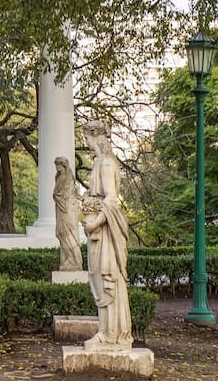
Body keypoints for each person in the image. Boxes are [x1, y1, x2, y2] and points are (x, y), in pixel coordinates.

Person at [80, 120, 133, 350]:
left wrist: (94, 224)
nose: (86, 143)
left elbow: (111, 199)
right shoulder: (100, 162)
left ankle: (109, 334)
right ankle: (107, 332)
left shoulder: (106, 164)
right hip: (99, 232)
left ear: (96, 137)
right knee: (100, 280)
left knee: (106, 279)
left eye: (87, 139)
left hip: (104, 233)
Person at [53, 156, 82, 271]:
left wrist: (57, 195)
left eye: (58, 165)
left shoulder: (67, 177)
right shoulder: (59, 177)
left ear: (63, 165)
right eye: (56, 165)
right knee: (62, 233)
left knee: (68, 233)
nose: (57, 167)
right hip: (62, 208)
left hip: (67, 208)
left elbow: (65, 194)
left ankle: (73, 260)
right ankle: (68, 259)